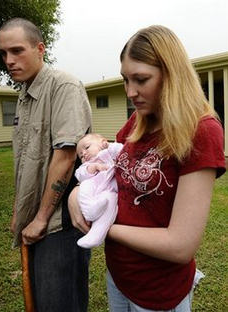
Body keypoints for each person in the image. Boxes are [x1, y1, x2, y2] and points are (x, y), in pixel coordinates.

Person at [68, 25, 226, 311]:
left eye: (141, 79)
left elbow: (181, 245)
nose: (130, 92)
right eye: (126, 80)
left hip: (159, 291)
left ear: (171, 75)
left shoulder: (201, 130)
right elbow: (106, 172)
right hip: (120, 276)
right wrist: (75, 194)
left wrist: (104, 227)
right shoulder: (138, 120)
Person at [0, 18, 92, 312]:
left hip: (58, 226)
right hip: (34, 223)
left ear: (40, 49)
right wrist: (19, 213)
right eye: (3, 54)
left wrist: (39, 219)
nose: (9, 61)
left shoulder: (64, 87)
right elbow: (26, 164)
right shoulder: (24, 96)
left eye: (17, 50)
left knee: (58, 305)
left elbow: (64, 159)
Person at [75, 133, 123, 248]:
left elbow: (123, 151)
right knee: (85, 185)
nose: (84, 154)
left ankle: (96, 235)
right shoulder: (87, 165)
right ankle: (90, 210)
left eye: (86, 148)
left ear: (103, 142)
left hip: (110, 193)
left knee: (109, 204)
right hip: (96, 193)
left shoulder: (108, 153)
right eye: (80, 156)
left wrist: (110, 146)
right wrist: (93, 167)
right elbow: (79, 175)